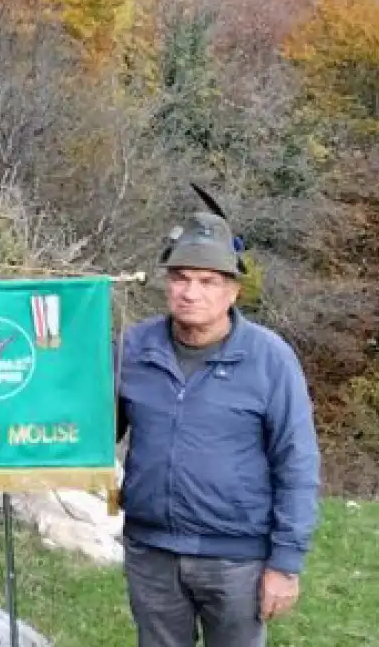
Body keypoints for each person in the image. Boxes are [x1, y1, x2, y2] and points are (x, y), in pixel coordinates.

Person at [116, 186, 321, 647]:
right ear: (166, 282)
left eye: (208, 282)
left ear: (233, 291)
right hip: (152, 552)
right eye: (181, 278)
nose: (191, 293)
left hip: (236, 560)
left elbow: (297, 462)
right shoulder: (133, 348)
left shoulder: (269, 358)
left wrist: (285, 564)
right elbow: (89, 430)